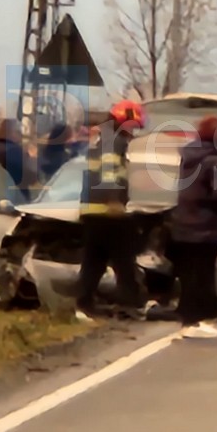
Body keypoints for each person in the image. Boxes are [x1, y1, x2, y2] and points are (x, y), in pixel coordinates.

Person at [76, 101, 148, 320]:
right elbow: (108, 173)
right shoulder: (113, 141)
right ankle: (128, 304)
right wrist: (114, 200)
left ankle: (84, 304)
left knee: (94, 262)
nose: (133, 130)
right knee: (123, 260)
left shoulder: (102, 139)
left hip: (92, 211)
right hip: (108, 212)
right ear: (121, 120)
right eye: (132, 125)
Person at [169, 115, 217, 339]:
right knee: (203, 273)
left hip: (183, 222)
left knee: (189, 274)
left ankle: (189, 319)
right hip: (206, 225)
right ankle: (194, 321)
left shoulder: (188, 158)